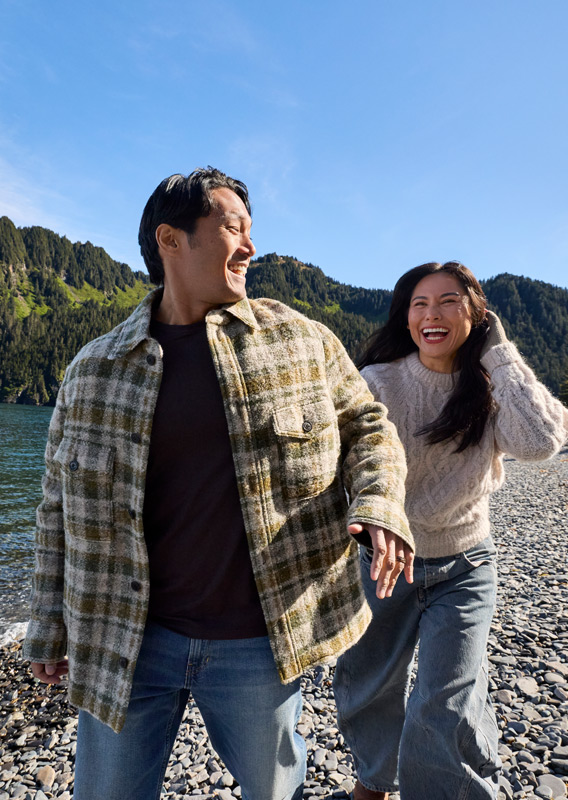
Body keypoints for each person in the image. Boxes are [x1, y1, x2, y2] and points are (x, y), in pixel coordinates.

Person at [23, 167, 414, 800]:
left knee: (275, 791)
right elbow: (54, 509)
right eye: (232, 228)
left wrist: (377, 503)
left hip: (260, 640)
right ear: (171, 241)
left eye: (250, 229)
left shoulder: (300, 341)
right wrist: (46, 624)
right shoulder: (93, 367)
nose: (251, 247)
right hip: (126, 638)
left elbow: (370, 427)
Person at [333, 261, 568, 800]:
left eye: (448, 302)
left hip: (465, 566)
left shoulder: (491, 387)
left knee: (446, 697)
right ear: (406, 316)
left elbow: (542, 442)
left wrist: (499, 354)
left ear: (476, 316)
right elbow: (347, 465)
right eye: (419, 303)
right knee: (368, 684)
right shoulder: (380, 381)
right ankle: (374, 781)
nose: (431, 314)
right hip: (383, 562)